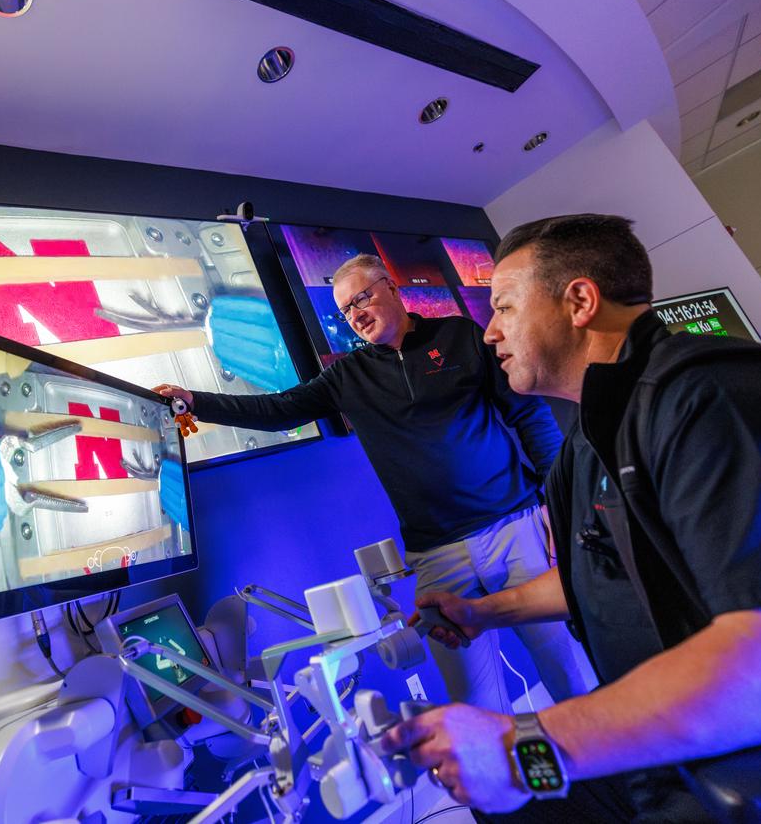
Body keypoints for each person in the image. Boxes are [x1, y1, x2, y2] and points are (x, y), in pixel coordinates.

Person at [385, 213, 761, 820]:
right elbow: (608, 573)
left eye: (506, 307)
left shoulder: (717, 396)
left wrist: (526, 747)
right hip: (671, 764)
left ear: (579, 301)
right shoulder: (585, 442)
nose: (489, 333)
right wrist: (486, 611)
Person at [155, 254, 597, 714]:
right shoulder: (349, 376)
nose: (356, 314)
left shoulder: (459, 336)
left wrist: (557, 505)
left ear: (391, 287)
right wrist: (194, 401)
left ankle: (612, 774)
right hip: (439, 554)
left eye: (362, 298)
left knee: (568, 669)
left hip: (516, 527)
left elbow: (530, 416)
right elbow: (277, 410)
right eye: (347, 309)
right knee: (475, 703)